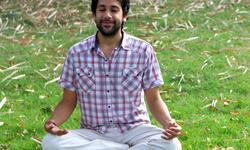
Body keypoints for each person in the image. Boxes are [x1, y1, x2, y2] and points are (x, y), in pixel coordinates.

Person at [41, 0, 182, 149]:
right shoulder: (76, 53)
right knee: (50, 142)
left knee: (172, 145)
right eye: (102, 9)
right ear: (94, 15)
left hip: (135, 130)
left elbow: (154, 100)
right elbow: (68, 101)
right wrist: (53, 123)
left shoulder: (143, 51)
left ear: (124, 15)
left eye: (114, 10)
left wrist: (169, 124)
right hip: (92, 132)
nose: (107, 15)